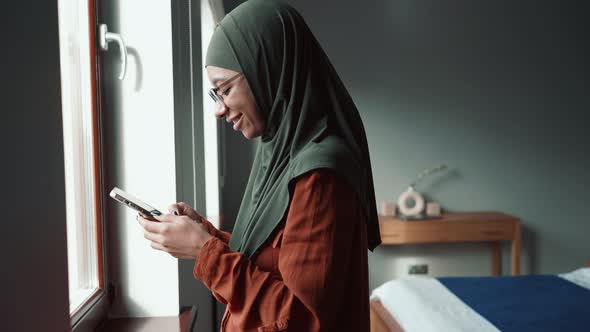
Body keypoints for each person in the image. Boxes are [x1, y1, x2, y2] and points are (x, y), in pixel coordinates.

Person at [138, 0, 381, 330]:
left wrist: (204, 250)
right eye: (215, 95)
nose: (219, 110)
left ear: (268, 69)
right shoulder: (282, 154)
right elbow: (272, 261)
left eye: (225, 90)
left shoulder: (319, 174)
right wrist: (203, 236)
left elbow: (300, 318)